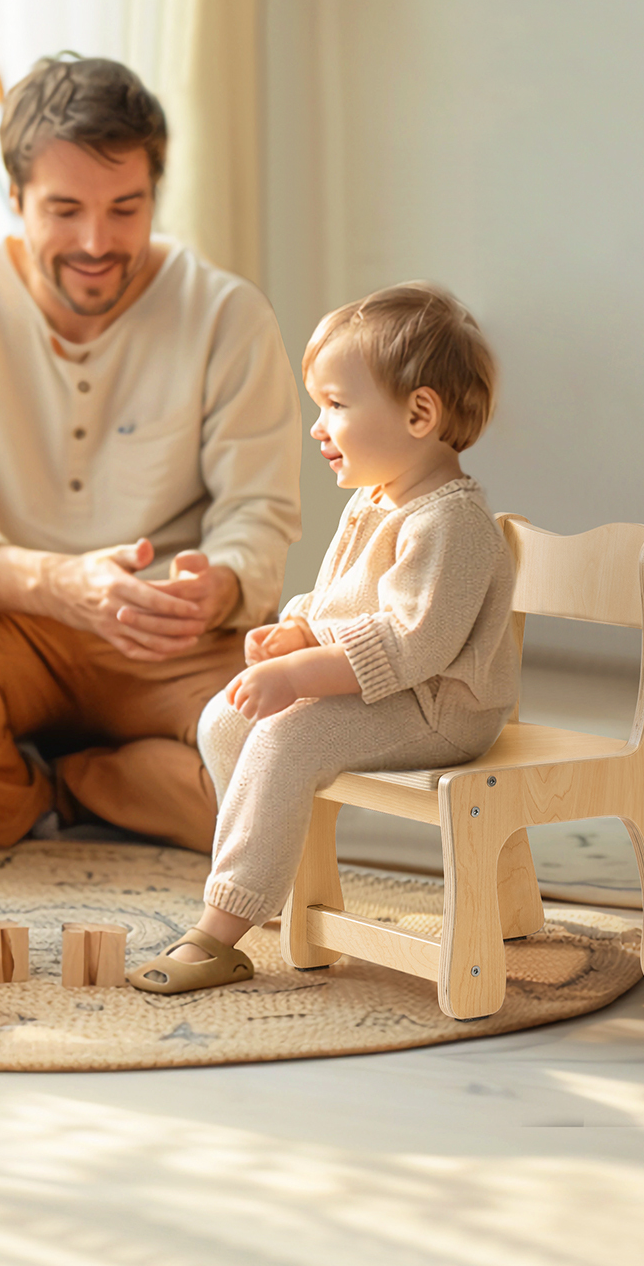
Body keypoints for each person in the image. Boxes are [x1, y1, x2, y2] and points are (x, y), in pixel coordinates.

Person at [0, 55, 302, 852]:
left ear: (155, 195)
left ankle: (52, 791)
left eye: (125, 208)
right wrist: (53, 583)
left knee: (290, 768)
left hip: (171, 645)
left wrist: (219, 586)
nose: (96, 242)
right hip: (5, 628)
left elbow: (260, 515)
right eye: (64, 210)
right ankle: (54, 796)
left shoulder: (229, 315)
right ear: (15, 199)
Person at [127, 282, 518, 992]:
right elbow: (341, 596)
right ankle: (267, 879)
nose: (317, 427)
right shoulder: (374, 502)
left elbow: (414, 644)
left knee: (287, 736)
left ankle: (219, 931)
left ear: (419, 414)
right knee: (226, 719)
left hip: (442, 709)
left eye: (335, 405)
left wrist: (301, 675)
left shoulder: (449, 522)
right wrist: (299, 630)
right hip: (391, 693)